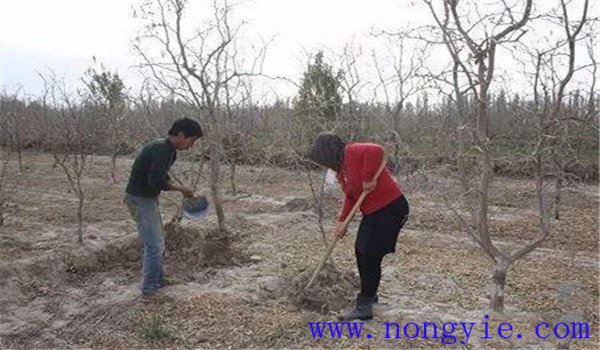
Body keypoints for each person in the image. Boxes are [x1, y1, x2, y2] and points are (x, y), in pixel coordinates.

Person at [307, 132, 409, 320]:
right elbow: (352, 197)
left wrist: (367, 177)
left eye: (322, 159)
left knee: (370, 254)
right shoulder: (341, 172)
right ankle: (370, 293)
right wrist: (342, 222)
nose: (323, 165)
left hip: (390, 208)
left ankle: (364, 305)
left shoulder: (352, 151)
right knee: (361, 251)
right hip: (373, 212)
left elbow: (377, 150)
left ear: (328, 153)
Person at [124, 117, 203, 298]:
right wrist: (181, 189)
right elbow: (155, 181)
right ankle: (150, 289)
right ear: (181, 135)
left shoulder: (167, 149)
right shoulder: (162, 149)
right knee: (154, 245)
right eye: (191, 141)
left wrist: (180, 188)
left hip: (145, 199)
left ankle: (158, 280)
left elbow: (159, 176)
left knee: (157, 241)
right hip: (140, 199)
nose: (191, 146)